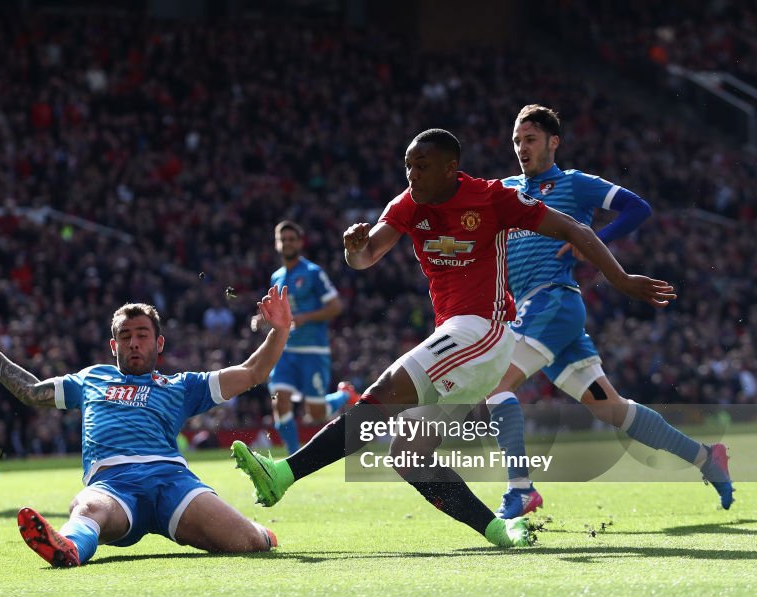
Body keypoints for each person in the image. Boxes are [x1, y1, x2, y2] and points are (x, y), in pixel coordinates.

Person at [231, 128, 675, 549]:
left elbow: (574, 230)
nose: (412, 175)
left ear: (451, 168)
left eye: (422, 166)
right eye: (408, 166)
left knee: (385, 392)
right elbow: (366, 257)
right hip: (461, 344)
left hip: (484, 331)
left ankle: (284, 474)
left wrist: (619, 278)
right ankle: (499, 531)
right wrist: (353, 247)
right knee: (408, 453)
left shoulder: (491, 198)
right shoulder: (407, 204)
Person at [486, 104, 733, 518]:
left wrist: (592, 239)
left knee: (497, 383)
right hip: (535, 311)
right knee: (609, 408)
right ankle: (706, 457)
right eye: (516, 141)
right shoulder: (506, 190)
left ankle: (520, 489)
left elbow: (638, 208)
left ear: (553, 142)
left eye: (530, 139)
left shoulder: (574, 184)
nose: (522, 148)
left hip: (552, 301)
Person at [0, 286, 292, 568]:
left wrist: (280, 329)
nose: (134, 343)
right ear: (114, 346)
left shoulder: (182, 385)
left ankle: (258, 531)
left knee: (249, 544)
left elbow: (252, 372)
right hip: (112, 484)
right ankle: (68, 547)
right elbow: (32, 392)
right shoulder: (92, 378)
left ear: (159, 343)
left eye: (142, 335)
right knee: (87, 508)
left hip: (171, 481)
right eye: (125, 336)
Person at [253, 220, 358, 453]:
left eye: (292, 239)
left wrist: (305, 317)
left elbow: (335, 306)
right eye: (283, 240)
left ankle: (344, 395)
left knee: (316, 413)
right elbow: (279, 313)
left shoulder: (313, 273)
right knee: (280, 402)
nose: (288, 243)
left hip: (313, 350)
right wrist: (262, 319)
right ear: (277, 244)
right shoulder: (276, 277)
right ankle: (293, 458)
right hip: (285, 350)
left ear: (300, 243)